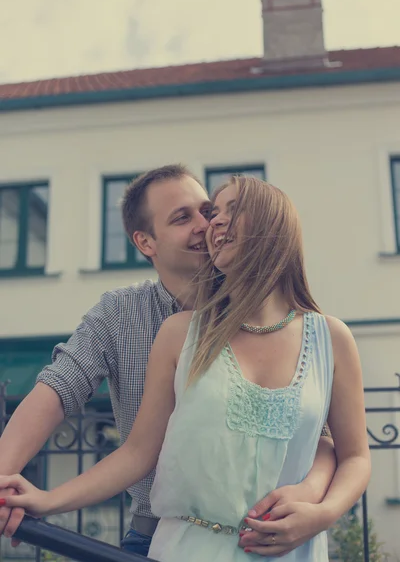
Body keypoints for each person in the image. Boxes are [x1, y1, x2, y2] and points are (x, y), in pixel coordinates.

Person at [0, 176, 370, 561]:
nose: (207, 224)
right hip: (165, 536)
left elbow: (325, 440)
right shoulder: (134, 318)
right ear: (146, 242)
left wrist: (314, 502)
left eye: (209, 211)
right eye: (182, 217)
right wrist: (8, 483)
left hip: (285, 541)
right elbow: (60, 392)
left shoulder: (316, 334)